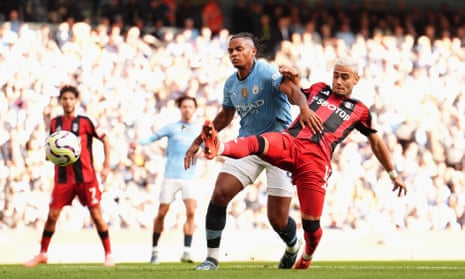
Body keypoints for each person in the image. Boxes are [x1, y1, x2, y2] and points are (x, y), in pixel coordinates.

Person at [199, 56, 408, 269]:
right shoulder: (319, 89)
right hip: (292, 143)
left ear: (356, 79)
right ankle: (218, 147)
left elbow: (375, 141)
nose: (338, 81)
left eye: (344, 77)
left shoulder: (360, 110)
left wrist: (393, 174)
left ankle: (306, 255)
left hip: (316, 162)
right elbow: (293, 96)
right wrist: (294, 78)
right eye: (336, 75)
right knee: (258, 142)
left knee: (311, 225)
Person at [184, 32, 323, 270]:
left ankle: (292, 246)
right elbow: (226, 116)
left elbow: (293, 92)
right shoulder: (230, 83)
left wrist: (304, 109)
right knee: (219, 194)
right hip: (248, 146)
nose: (234, 54)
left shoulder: (268, 72)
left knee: (277, 219)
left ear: (253, 52)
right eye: (231, 51)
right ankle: (211, 258)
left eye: (239, 49)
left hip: (281, 147)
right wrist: (198, 140)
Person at [24, 85, 114, 267]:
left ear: (76, 101)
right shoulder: (54, 123)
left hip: (86, 178)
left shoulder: (86, 122)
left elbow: (105, 138)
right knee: (52, 216)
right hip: (63, 179)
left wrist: (106, 165)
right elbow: (52, 146)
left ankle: (109, 253)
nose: (68, 102)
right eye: (64, 98)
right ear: (60, 101)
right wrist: (49, 155)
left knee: (96, 215)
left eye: (71, 98)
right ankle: (43, 253)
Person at [131, 95, 202, 264]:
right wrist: (138, 143)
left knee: (191, 212)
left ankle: (187, 251)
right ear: (180, 108)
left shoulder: (200, 130)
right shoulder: (172, 127)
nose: (187, 109)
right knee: (162, 212)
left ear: (195, 109)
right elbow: (153, 138)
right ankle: (155, 250)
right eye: (184, 106)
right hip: (171, 176)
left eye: (190, 106)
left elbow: (209, 149)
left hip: (189, 177)